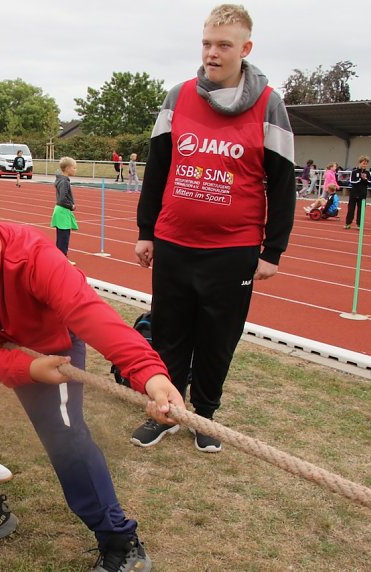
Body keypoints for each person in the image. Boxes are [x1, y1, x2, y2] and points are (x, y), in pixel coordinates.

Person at [0, 197, 183, 568]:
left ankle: (120, 541)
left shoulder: (36, 257)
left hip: (49, 349)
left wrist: (150, 375)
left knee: (65, 436)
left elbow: (90, 314)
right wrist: (23, 369)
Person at [133, 4, 295, 453]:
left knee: (217, 338)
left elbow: (283, 184)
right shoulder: (177, 96)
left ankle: (205, 415)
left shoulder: (269, 104)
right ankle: (168, 412)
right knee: (168, 332)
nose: (212, 52)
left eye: (224, 45)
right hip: (173, 242)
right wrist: (146, 230)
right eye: (206, 43)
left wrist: (272, 251)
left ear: (245, 48)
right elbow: (157, 170)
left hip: (233, 249)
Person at [51, 156, 77, 258]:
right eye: (74, 168)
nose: (75, 170)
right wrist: (71, 206)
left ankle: (59, 257)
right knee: (64, 237)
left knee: (61, 237)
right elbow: (62, 198)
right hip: (62, 211)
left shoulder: (62, 180)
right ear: (67, 169)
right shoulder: (64, 182)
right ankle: (62, 258)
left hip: (61, 211)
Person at [345, 156, 371, 229]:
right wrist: (360, 178)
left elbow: (370, 182)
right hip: (354, 193)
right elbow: (351, 181)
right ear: (359, 163)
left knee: (361, 210)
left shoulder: (368, 172)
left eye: (366, 164)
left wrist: (365, 179)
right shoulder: (354, 172)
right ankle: (348, 223)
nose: (364, 165)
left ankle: (359, 224)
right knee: (351, 209)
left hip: (362, 194)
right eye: (363, 163)